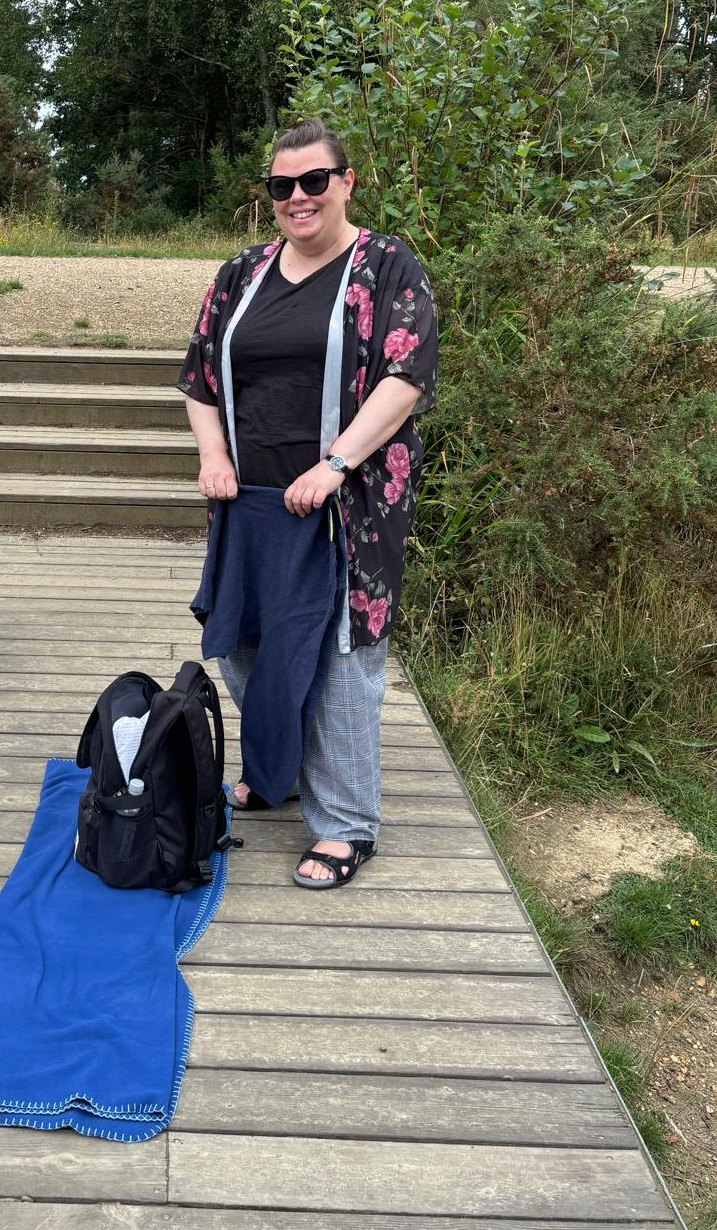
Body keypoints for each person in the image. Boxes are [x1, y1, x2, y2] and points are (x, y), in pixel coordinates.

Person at [179, 119, 438, 889]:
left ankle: (345, 824)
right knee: (240, 641)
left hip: (345, 505)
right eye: (281, 186)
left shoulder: (387, 265)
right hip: (248, 497)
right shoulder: (240, 273)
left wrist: (335, 463)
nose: (297, 198)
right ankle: (276, 772)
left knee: (338, 658)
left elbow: (406, 377)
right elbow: (199, 378)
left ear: (345, 182)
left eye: (313, 181)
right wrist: (214, 456)